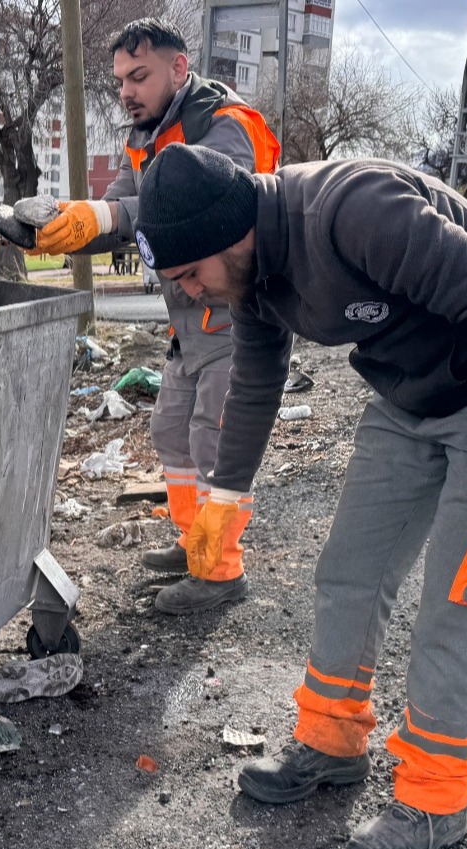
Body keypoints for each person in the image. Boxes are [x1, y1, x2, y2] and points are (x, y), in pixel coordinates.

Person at [133, 145, 467, 849]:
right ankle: (332, 739)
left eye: (191, 273)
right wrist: (224, 498)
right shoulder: (251, 277)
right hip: (411, 391)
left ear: (233, 233)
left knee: (459, 595)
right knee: (349, 567)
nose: (193, 292)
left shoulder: (350, 210)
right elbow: (256, 381)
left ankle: (436, 800)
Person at [31, 17, 279, 614]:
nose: (127, 92)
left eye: (139, 76)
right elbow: (119, 206)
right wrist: (67, 225)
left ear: (179, 68)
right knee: (171, 432)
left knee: (212, 437)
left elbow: (200, 209)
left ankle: (220, 571)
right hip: (187, 322)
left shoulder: (225, 127)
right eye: (120, 81)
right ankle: (193, 542)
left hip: (230, 307)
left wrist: (108, 218)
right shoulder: (146, 137)